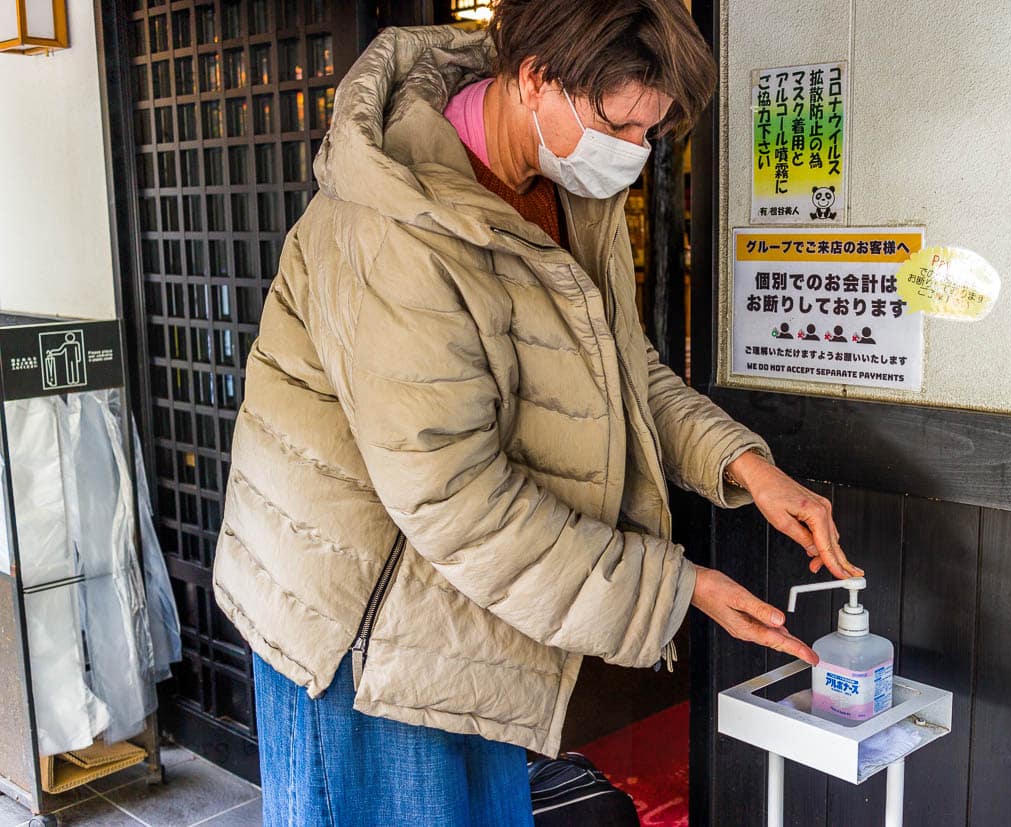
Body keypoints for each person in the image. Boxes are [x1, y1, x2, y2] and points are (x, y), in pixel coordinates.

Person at [211, 1, 863, 823]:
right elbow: (453, 495)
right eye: (617, 125)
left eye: (650, 134)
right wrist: (675, 586)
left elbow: (626, 370)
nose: (632, 154)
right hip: (362, 630)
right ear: (533, 78)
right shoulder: (389, 227)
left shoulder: (563, 188)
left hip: (480, 607)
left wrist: (745, 466)